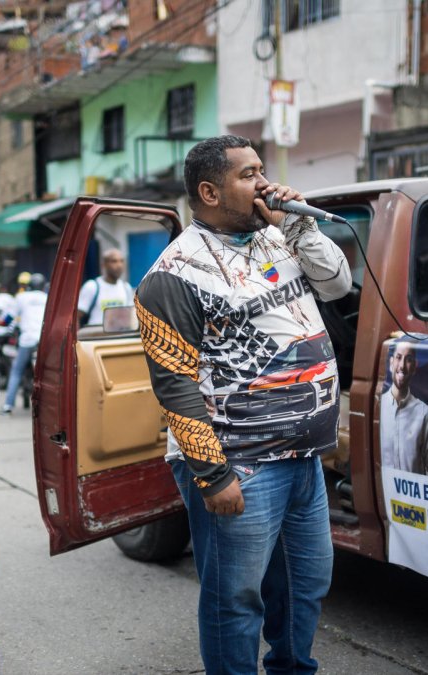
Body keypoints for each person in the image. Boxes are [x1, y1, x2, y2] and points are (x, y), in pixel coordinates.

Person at [136, 134, 351, 674]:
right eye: (248, 175)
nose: (264, 184)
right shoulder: (173, 275)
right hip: (242, 465)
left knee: (306, 584)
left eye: (262, 170)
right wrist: (213, 474)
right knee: (235, 599)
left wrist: (300, 226)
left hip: (301, 460)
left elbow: (338, 285)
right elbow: (175, 385)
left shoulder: (277, 240)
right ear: (209, 191)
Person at [380, 341, 428, 476]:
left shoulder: (424, 413)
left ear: (414, 367)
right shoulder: (378, 407)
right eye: (398, 357)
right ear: (391, 363)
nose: (402, 366)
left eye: (409, 360)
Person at [2, 272, 47, 414]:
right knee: (48, 373)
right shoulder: (47, 297)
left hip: (27, 340)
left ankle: (8, 406)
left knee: (16, 371)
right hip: (44, 341)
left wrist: (5, 322)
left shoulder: (21, 297)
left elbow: (9, 317)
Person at [77, 249, 134, 326]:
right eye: (114, 261)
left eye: (121, 261)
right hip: (95, 335)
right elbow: (77, 317)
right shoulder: (92, 286)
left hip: (121, 335)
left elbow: (131, 316)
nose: (119, 265)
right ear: (103, 265)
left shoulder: (126, 287)